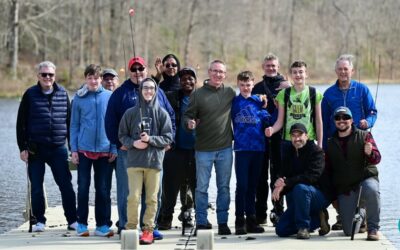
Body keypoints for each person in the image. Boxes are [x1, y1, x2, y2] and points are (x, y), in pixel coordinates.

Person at [105, 56, 175, 238]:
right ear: (129, 71)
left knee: (152, 194)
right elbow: (110, 122)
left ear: (146, 69)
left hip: (154, 153)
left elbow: (171, 118)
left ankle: (149, 227)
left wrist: (167, 142)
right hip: (129, 153)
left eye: (141, 68)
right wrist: (121, 144)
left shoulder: (157, 92)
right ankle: (126, 226)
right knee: (128, 192)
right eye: (134, 69)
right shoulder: (120, 93)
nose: (138, 72)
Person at [16, 61, 77, 232]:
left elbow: (70, 123)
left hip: (58, 148)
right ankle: (39, 221)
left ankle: (72, 220)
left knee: (66, 185)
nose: (47, 78)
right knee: (36, 187)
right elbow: (21, 124)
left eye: (50, 75)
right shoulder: (30, 94)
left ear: (54, 76)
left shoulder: (63, 93)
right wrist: (22, 148)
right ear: (38, 76)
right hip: (36, 149)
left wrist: (73, 149)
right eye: (44, 74)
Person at [321, 54, 377, 230]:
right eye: (340, 69)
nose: (343, 72)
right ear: (336, 71)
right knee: (336, 179)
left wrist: (367, 123)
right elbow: (322, 120)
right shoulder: (329, 94)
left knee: (363, 179)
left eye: (346, 69)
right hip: (336, 145)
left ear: (352, 71)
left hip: (358, 143)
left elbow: (372, 111)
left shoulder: (362, 90)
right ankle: (341, 215)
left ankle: (363, 215)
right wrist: (323, 146)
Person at [183, 59, 236, 235]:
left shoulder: (229, 93)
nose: (218, 74)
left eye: (221, 72)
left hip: (225, 148)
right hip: (203, 149)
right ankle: (202, 221)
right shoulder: (198, 94)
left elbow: (245, 102)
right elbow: (187, 116)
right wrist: (189, 123)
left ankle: (222, 222)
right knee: (201, 187)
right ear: (209, 72)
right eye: (214, 71)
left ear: (225, 74)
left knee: (224, 187)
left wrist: (261, 99)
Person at [118, 78, 173, 245]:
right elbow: (122, 135)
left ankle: (148, 230)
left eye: (151, 88)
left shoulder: (162, 113)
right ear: (140, 90)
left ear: (155, 91)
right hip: (134, 162)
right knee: (133, 197)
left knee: (152, 198)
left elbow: (168, 137)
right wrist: (133, 143)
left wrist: (150, 140)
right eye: (145, 88)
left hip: (154, 163)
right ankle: (131, 228)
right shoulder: (130, 113)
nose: (148, 91)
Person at [70, 64, 116, 237]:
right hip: (83, 150)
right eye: (89, 78)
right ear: (85, 79)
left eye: (96, 78)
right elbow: (74, 125)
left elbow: (114, 125)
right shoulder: (79, 98)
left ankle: (102, 225)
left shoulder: (110, 97)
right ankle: (81, 223)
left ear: (101, 79)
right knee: (83, 188)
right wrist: (74, 149)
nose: (93, 81)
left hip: (105, 150)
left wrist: (113, 147)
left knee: (103, 189)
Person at [326, 107, 381, 241]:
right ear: (334, 121)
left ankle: (373, 228)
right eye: (338, 118)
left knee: (372, 189)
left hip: (365, 180)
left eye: (345, 117)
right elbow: (329, 172)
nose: (341, 120)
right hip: (347, 188)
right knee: (348, 231)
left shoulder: (365, 135)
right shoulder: (330, 142)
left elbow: (377, 159)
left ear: (351, 120)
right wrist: (333, 197)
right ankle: (361, 214)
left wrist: (370, 153)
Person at [273, 123, 332, 239]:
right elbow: (284, 174)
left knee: (300, 188)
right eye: (294, 136)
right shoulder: (289, 152)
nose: (297, 139)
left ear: (307, 136)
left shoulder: (316, 152)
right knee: (281, 230)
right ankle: (317, 220)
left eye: (300, 135)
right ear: (290, 138)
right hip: (300, 197)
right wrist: (279, 185)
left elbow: (311, 177)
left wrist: (287, 182)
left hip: (320, 196)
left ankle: (304, 227)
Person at [252, 53, 290, 226]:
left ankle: (278, 210)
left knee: (277, 175)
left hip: (280, 138)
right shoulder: (257, 87)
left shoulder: (286, 86)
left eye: (274, 66)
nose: (271, 68)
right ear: (263, 67)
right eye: (268, 66)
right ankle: (260, 213)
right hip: (261, 138)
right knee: (260, 177)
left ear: (278, 67)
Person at [231, 71, 271, 235]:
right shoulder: (234, 102)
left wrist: (268, 108)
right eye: (242, 85)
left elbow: (269, 119)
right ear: (238, 85)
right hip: (241, 150)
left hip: (258, 149)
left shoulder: (259, 101)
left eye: (248, 85)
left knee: (253, 186)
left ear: (253, 85)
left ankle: (251, 220)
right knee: (242, 186)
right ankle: (239, 220)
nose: (246, 87)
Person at [157, 67, 197, 230]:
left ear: (195, 80)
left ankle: (188, 215)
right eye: (184, 79)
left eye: (190, 78)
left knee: (193, 185)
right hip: (175, 149)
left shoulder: (201, 97)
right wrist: (158, 75)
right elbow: (154, 92)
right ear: (179, 82)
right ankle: (166, 217)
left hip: (196, 149)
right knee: (170, 186)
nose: (187, 81)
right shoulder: (172, 96)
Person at [265, 60, 323, 149]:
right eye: (294, 72)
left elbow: (318, 121)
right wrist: (272, 130)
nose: (298, 75)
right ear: (291, 75)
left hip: (308, 140)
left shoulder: (314, 93)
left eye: (301, 72)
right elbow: (280, 121)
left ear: (306, 74)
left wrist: (319, 144)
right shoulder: (283, 94)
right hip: (288, 141)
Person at [101, 68, 119, 228]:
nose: (109, 81)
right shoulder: (98, 97)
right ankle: (105, 221)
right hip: (102, 152)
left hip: (121, 151)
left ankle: (125, 220)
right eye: (106, 79)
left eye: (112, 79)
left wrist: (115, 147)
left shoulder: (121, 96)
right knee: (104, 188)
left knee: (125, 189)